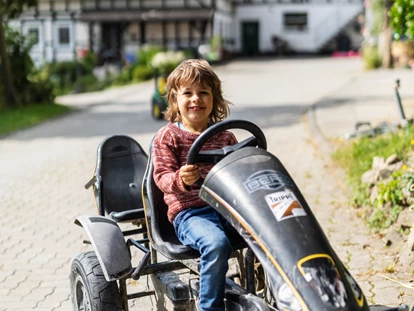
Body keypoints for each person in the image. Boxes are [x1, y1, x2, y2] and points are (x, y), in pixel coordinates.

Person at [152, 59, 238, 311]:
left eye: (203, 93)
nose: (195, 99)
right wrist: (180, 179)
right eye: (187, 93)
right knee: (216, 243)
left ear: (215, 99)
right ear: (174, 100)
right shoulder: (168, 137)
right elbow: (162, 178)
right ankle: (209, 308)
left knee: (269, 230)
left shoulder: (225, 135)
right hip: (190, 212)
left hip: (226, 208)